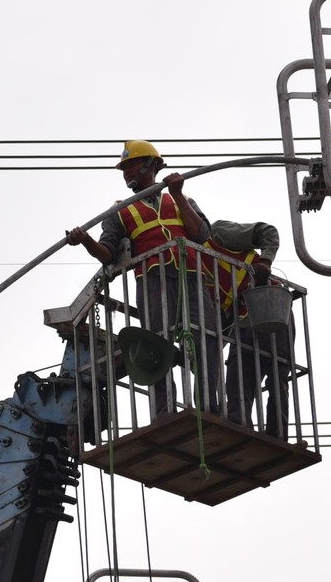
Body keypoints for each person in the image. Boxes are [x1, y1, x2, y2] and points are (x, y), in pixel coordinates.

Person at [65, 141, 222, 416]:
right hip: (152, 280)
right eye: (123, 169)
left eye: (131, 165)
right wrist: (86, 240)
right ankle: (165, 410)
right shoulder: (119, 210)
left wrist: (178, 194)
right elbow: (108, 255)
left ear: (151, 165)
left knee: (205, 339)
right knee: (155, 344)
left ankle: (210, 405)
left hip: (191, 277)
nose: (126, 173)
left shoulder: (180, 198)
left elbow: (201, 234)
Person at [205, 219, 291, 438]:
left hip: (272, 306)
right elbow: (221, 317)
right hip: (243, 322)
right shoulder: (191, 267)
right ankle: (240, 430)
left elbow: (268, 231)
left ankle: (277, 434)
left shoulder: (217, 234)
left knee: (277, 375)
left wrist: (265, 262)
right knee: (237, 380)